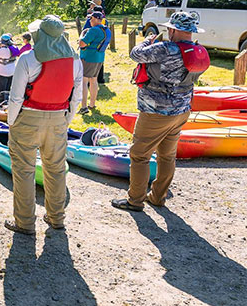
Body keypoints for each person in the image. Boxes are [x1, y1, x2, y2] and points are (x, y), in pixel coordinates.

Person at [112, 12, 209, 212]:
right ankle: (158, 197)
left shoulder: (165, 49)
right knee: (167, 155)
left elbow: (135, 54)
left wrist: (147, 40)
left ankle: (135, 200)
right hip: (181, 110)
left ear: (172, 29)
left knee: (139, 155)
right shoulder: (198, 50)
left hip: (155, 111)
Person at [5, 16, 83, 234]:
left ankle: (25, 222)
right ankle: (57, 217)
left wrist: (12, 122)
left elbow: (16, 98)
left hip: (28, 119)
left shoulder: (28, 58)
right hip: (58, 118)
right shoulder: (75, 60)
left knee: (23, 171)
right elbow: (76, 97)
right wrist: (66, 120)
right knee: (56, 169)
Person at [78, 12, 110, 114]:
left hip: (88, 58)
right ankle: (92, 104)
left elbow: (82, 43)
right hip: (99, 58)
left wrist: (81, 36)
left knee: (84, 81)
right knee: (94, 80)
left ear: (96, 19)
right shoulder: (107, 30)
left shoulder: (93, 30)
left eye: (91, 18)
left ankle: (83, 107)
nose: (90, 21)